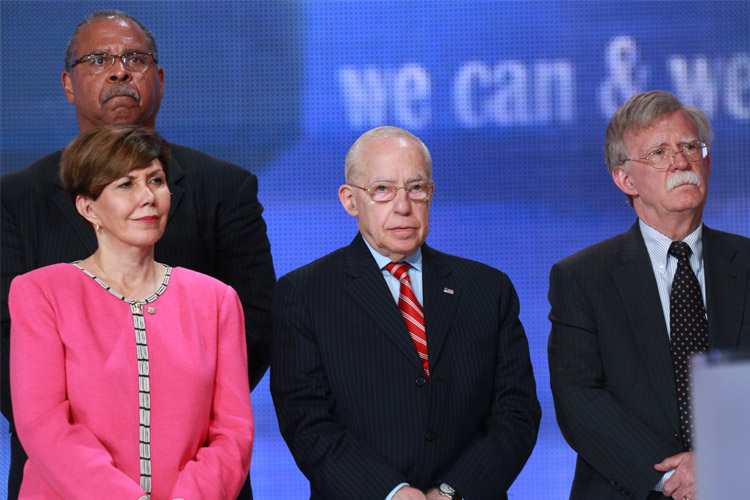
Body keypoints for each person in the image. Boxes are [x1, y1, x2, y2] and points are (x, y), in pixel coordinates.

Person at [0, 10, 275, 499]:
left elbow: (255, 325)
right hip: (63, 479)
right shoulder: (15, 199)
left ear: (160, 80)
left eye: (135, 58)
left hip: (197, 472)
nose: (120, 70)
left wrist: (179, 425)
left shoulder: (225, 188)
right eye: (99, 59)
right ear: (68, 84)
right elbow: (5, 346)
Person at [271, 126, 541, 500]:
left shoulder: (487, 288)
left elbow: (517, 412)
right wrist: (393, 493)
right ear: (350, 200)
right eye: (382, 189)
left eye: (416, 188)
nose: (403, 206)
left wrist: (451, 492)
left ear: (431, 194)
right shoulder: (304, 293)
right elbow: (307, 421)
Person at [9, 125, 253, 499]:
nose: (148, 198)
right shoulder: (42, 293)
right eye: (126, 185)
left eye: (155, 181)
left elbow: (233, 431)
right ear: (88, 207)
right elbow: (42, 423)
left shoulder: (215, 300)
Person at [547, 90, 750, 500]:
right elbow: (580, 401)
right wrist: (679, 478)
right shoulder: (582, 277)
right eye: (659, 152)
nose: (681, 161)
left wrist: (727, 463)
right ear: (625, 179)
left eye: (690, 146)